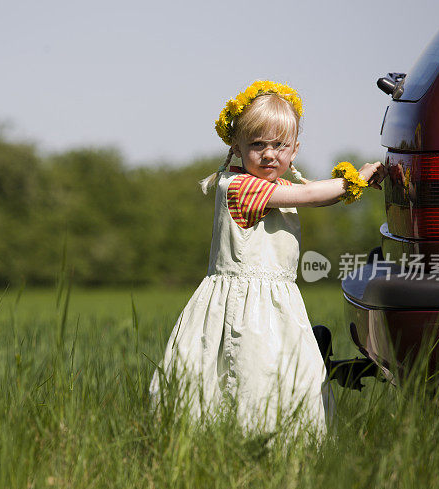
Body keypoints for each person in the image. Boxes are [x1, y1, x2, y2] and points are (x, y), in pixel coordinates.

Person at [149, 80, 385, 435]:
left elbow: (315, 194)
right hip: (241, 301)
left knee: (284, 374)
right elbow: (316, 195)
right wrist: (358, 179)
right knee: (243, 369)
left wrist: (348, 185)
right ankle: (235, 440)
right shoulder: (241, 186)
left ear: (294, 149)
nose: (269, 154)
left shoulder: (279, 188)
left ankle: (279, 442)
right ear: (237, 146)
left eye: (279, 145)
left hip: (276, 301)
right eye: (257, 144)